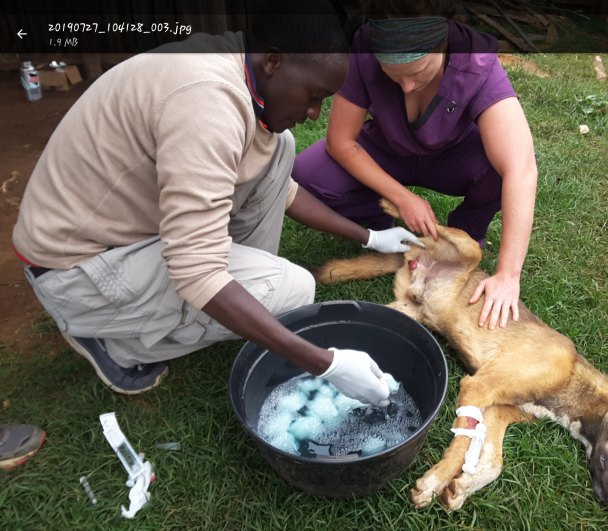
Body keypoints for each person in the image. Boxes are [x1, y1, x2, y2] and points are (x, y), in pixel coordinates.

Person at [11, 0, 423, 404]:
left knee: (280, 147)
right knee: (293, 290)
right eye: (313, 95)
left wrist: (370, 237)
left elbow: (283, 190)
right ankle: (115, 344)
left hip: (118, 231)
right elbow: (196, 270)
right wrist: (326, 364)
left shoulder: (234, 69)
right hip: (76, 268)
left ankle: (234, 302)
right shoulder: (207, 103)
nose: (315, 112)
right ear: (274, 61)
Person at [292, 0, 538, 331]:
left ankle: (462, 239)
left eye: (418, 72)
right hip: (386, 150)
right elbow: (340, 141)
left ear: (445, 43)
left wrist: (509, 275)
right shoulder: (365, 47)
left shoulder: (476, 61)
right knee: (307, 174)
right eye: (393, 76)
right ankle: (388, 231)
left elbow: (520, 168)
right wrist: (402, 198)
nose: (407, 86)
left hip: (452, 160)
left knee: (500, 169)